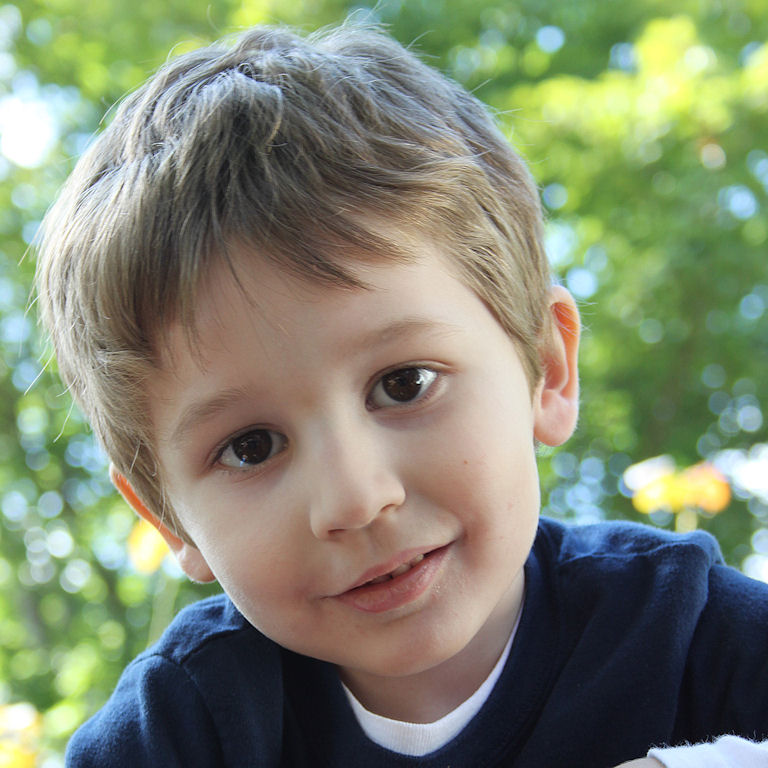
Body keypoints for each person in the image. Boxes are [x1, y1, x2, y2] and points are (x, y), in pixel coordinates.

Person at [35, 21, 768, 768]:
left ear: (547, 367)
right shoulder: (177, 732)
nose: (356, 498)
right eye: (251, 447)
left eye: (404, 384)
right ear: (168, 519)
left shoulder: (694, 639)